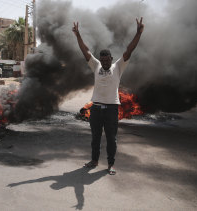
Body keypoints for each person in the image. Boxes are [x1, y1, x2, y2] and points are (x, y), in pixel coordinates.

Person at [72, 17, 144, 175]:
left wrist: (138, 33)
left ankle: (110, 164)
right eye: (102, 59)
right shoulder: (95, 65)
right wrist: (78, 35)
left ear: (111, 59)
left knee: (112, 139)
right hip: (96, 108)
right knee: (95, 138)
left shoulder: (118, 66)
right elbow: (85, 51)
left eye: (106, 60)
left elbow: (129, 50)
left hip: (112, 109)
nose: (104, 62)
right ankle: (94, 160)